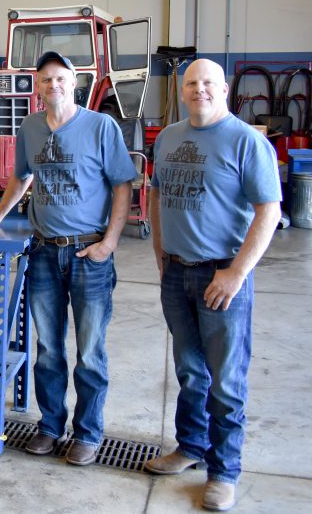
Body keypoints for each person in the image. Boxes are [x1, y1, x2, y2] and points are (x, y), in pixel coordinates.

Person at [0, 51, 135, 466]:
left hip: (88, 253)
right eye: (45, 80)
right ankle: (50, 427)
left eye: (59, 79)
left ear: (74, 82)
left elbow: (124, 185)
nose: (52, 86)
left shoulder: (100, 127)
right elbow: (22, 176)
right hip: (43, 252)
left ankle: (88, 434)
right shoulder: (30, 127)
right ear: (37, 88)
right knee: (48, 350)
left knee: (90, 351)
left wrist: (109, 243)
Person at [143, 59, 280, 512]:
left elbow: (269, 212)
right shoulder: (168, 137)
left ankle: (224, 472)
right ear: (182, 91)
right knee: (189, 371)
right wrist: (162, 256)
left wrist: (237, 272)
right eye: (191, 84)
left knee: (225, 379)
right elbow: (158, 194)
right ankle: (191, 447)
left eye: (207, 83)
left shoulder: (245, 141)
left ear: (224, 89)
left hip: (222, 274)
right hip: (177, 272)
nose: (199, 90)